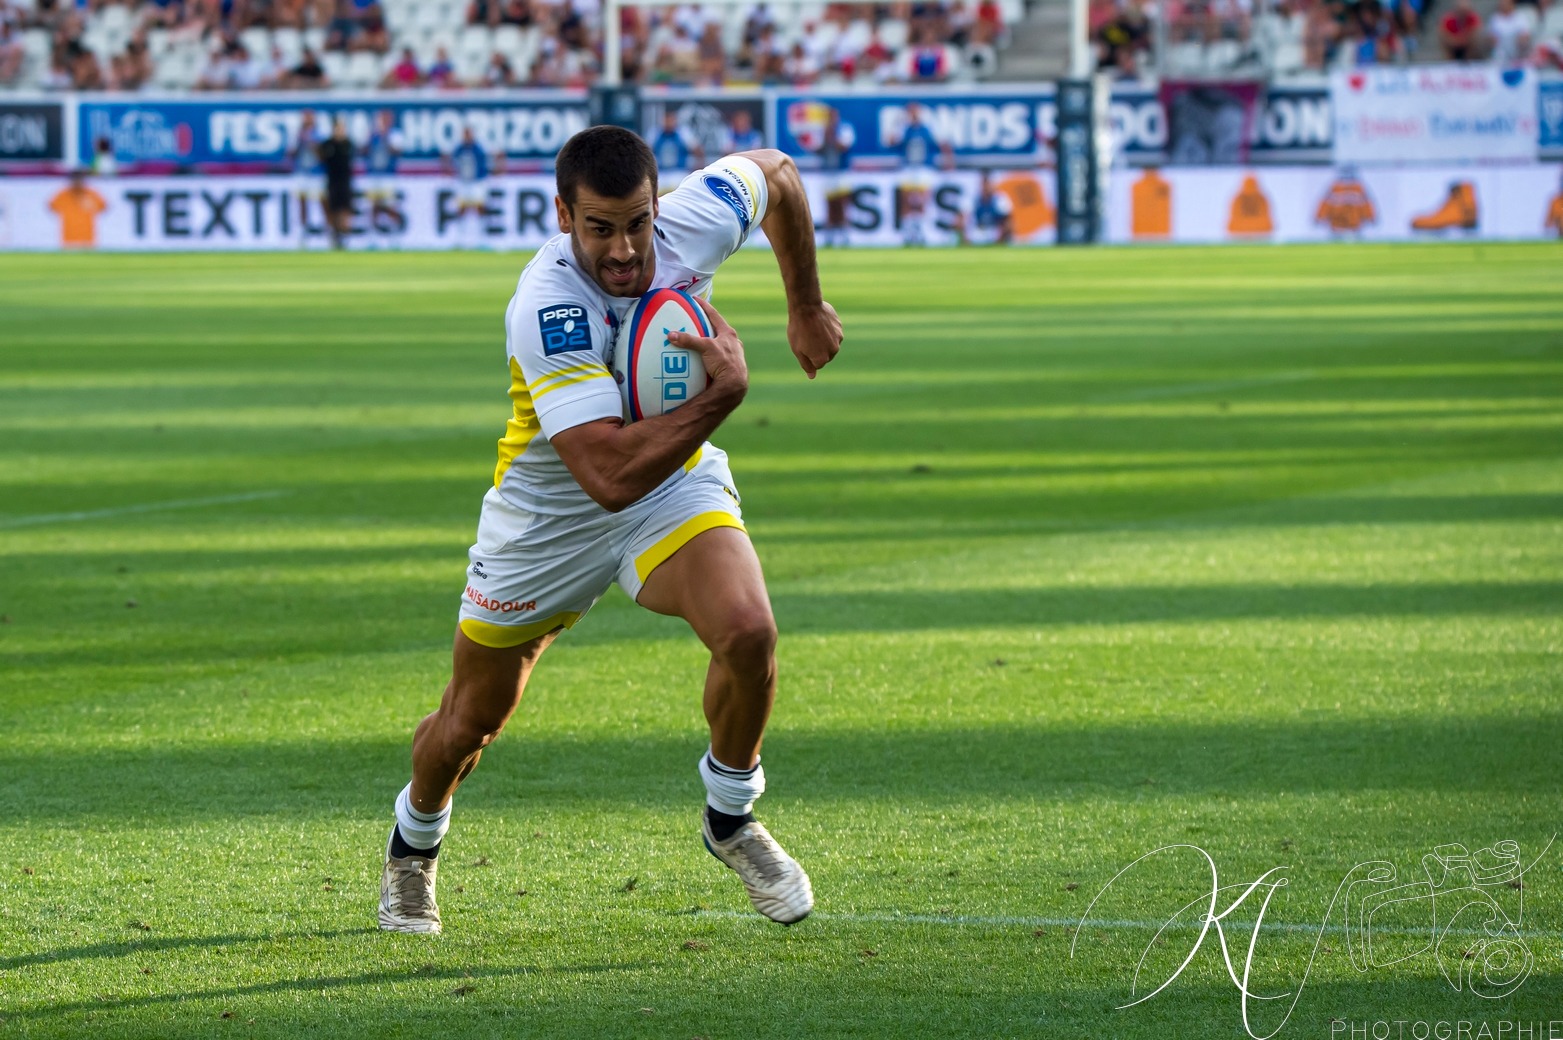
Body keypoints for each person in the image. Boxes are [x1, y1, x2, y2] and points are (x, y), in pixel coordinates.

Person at [377, 126, 843, 936]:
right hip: (551, 515)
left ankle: (730, 817)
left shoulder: (691, 221)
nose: (625, 249)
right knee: (468, 723)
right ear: (563, 214)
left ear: (657, 206)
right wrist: (721, 395)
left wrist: (804, 304)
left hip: (671, 484)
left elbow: (780, 174)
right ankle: (413, 842)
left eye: (636, 223)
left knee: (748, 631)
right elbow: (605, 477)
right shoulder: (546, 304)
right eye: (600, 228)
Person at [891, 102, 944, 246]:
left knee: (923, 202)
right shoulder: (904, 129)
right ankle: (907, 234)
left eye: (915, 112)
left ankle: (923, 233)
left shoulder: (928, 129)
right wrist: (897, 123)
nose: (913, 115)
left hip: (924, 169)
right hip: (908, 168)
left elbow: (942, 144)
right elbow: (890, 141)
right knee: (906, 202)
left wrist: (947, 161)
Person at [444, 125, 495, 248]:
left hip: (477, 182)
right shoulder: (460, 148)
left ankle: (482, 238)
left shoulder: (478, 149)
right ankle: (460, 238)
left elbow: (486, 165)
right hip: (463, 182)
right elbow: (452, 161)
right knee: (461, 209)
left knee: (480, 208)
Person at [812, 105, 855, 247]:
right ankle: (829, 236)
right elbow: (817, 150)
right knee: (829, 205)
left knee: (842, 203)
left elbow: (844, 146)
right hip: (827, 172)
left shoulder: (844, 129)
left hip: (841, 172)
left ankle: (844, 235)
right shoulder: (821, 131)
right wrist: (824, 139)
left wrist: (831, 136)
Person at [363, 109, 404, 248]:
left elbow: (397, 151)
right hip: (374, 174)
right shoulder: (372, 134)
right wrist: (370, 138)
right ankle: (372, 237)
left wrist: (385, 137)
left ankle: (394, 236)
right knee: (373, 206)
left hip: (388, 176)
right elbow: (364, 151)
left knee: (390, 206)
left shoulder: (395, 134)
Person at [318, 115, 356, 250]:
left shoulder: (348, 144)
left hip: (345, 181)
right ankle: (334, 235)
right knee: (333, 210)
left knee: (345, 209)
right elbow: (321, 158)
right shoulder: (327, 144)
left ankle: (344, 237)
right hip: (332, 181)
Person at [289, 109, 324, 246]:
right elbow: (291, 154)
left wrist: (311, 142)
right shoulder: (298, 135)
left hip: (316, 173)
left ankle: (325, 229)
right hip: (301, 173)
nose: (307, 120)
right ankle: (303, 230)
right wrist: (298, 141)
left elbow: (322, 155)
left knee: (321, 202)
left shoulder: (319, 135)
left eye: (309, 117)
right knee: (302, 202)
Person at [649, 109, 704, 189]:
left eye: (670, 120)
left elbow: (698, 151)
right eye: (666, 120)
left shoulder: (683, 132)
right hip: (661, 172)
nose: (668, 122)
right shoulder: (655, 133)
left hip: (679, 171)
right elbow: (647, 152)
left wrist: (698, 167)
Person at [957, 171, 1013, 245]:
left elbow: (1008, 220)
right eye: (984, 185)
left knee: (1010, 225)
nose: (986, 188)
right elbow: (962, 218)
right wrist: (965, 234)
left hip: (994, 231)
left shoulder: (1000, 199)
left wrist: (1001, 235)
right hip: (977, 231)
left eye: (988, 185)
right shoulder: (973, 199)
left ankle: (1000, 246)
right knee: (959, 222)